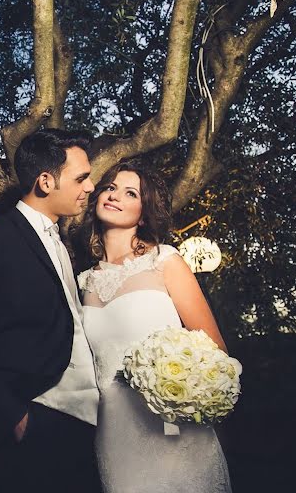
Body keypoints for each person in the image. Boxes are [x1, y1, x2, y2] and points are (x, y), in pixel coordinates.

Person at [0, 129, 100, 493]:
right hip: (39, 420)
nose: (90, 187)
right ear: (45, 181)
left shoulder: (62, 243)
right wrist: (12, 415)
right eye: (81, 178)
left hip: (90, 423)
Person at [77, 161, 232, 493]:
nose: (115, 196)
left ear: (143, 213)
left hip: (171, 423)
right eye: (109, 188)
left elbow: (216, 352)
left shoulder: (165, 261)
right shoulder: (82, 282)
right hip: (113, 430)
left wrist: (178, 390)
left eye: (130, 192)